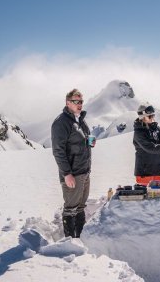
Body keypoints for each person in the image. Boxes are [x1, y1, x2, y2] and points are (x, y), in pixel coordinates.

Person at [51, 88, 93, 238]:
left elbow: (80, 140)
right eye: (76, 101)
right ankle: (69, 241)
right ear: (68, 103)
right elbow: (58, 151)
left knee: (80, 207)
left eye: (81, 101)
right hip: (72, 173)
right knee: (70, 208)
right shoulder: (61, 122)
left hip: (84, 171)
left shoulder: (80, 120)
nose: (80, 104)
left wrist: (89, 142)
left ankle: (79, 238)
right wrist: (67, 173)